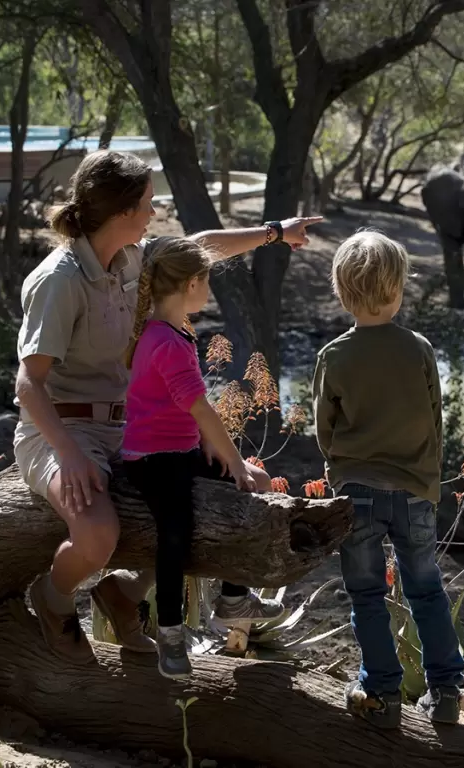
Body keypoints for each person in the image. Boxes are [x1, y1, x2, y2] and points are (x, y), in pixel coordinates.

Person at [14, 148, 321, 665]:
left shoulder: (133, 257)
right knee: (98, 534)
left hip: (129, 431)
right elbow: (28, 384)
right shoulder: (60, 279)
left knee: (202, 508)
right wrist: (68, 454)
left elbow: (199, 248)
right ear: (123, 211)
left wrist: (275, 231)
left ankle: (123, 594)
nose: (154, 213)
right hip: (61, 430)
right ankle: (53, 597)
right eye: (149, 203)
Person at [311, 229, 464, 728]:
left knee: (366, 594)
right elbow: (434, 418)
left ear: (341, 291)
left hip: (356, 493)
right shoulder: (418, 349)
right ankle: (445, 690)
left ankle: (381, 690)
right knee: (426, 588)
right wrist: (428, 479)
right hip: (415, 491)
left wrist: (340, 469)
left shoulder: (333, 357)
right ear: (398, 289)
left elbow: (324, 431)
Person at [120, 236, 273, 679]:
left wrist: (215, 450)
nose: (210, 292)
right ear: (190, 284)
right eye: (207, 282)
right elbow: (201, 408)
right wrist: (235, 462)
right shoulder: (166, 341)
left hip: (181, 450)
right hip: (152, 460)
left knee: (251, 488)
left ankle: (231, 596)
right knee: (177, 531)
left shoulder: (173, 331)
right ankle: (169, 632)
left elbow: (182, 409)